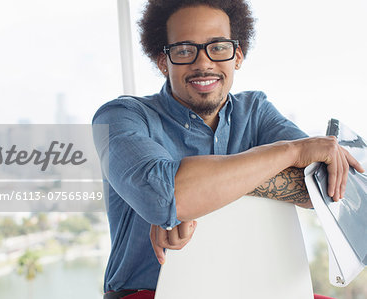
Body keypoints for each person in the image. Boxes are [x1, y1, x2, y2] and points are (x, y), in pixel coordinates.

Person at [92, 0, 364, 298]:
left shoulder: (256, 111)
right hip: (149, 292)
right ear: (162, 60)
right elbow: (164, 196)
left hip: (257, 289)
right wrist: (290, 152)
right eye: (184, 50)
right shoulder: (120, 117)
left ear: (237, 55)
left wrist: (194, 196)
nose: (203, 63)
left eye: (218, 47)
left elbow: (325, 188)